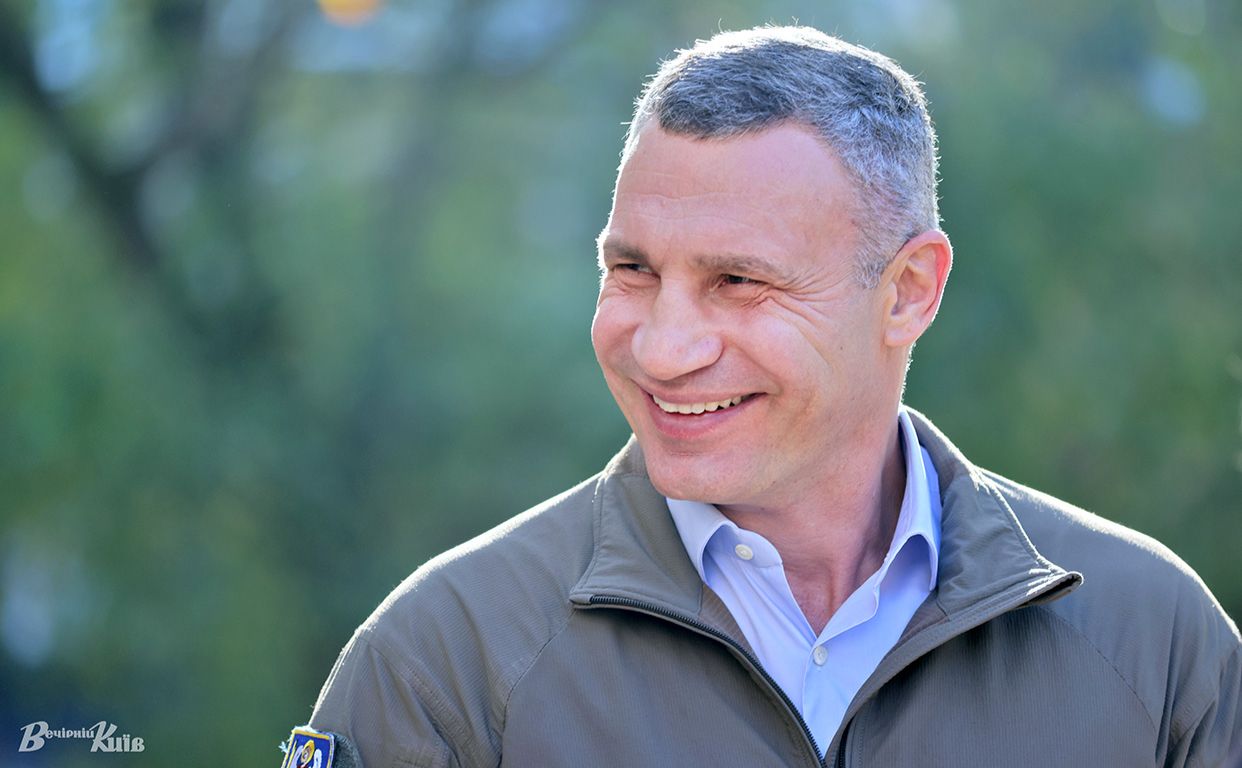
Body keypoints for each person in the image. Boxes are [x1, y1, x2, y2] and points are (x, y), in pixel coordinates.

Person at [281, 26, 1242, 767]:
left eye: (738, 281)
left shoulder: (1157, 646)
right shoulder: (445, 661)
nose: (663, 349)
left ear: (909, 291)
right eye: (632, 270)